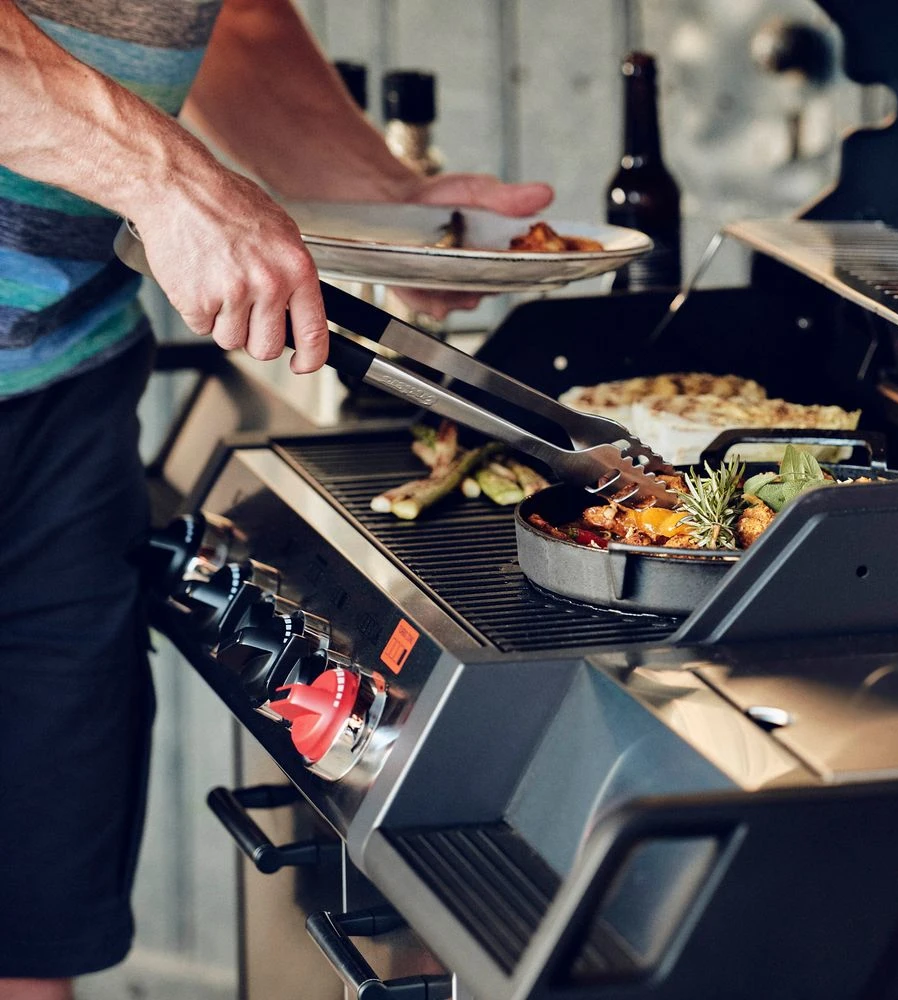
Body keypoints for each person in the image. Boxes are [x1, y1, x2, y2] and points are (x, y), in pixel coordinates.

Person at [0, 1, 552, 997]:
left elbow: (235, 20)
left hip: (65, 391)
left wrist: (391, 204)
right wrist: (174, 183)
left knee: (35, 924)